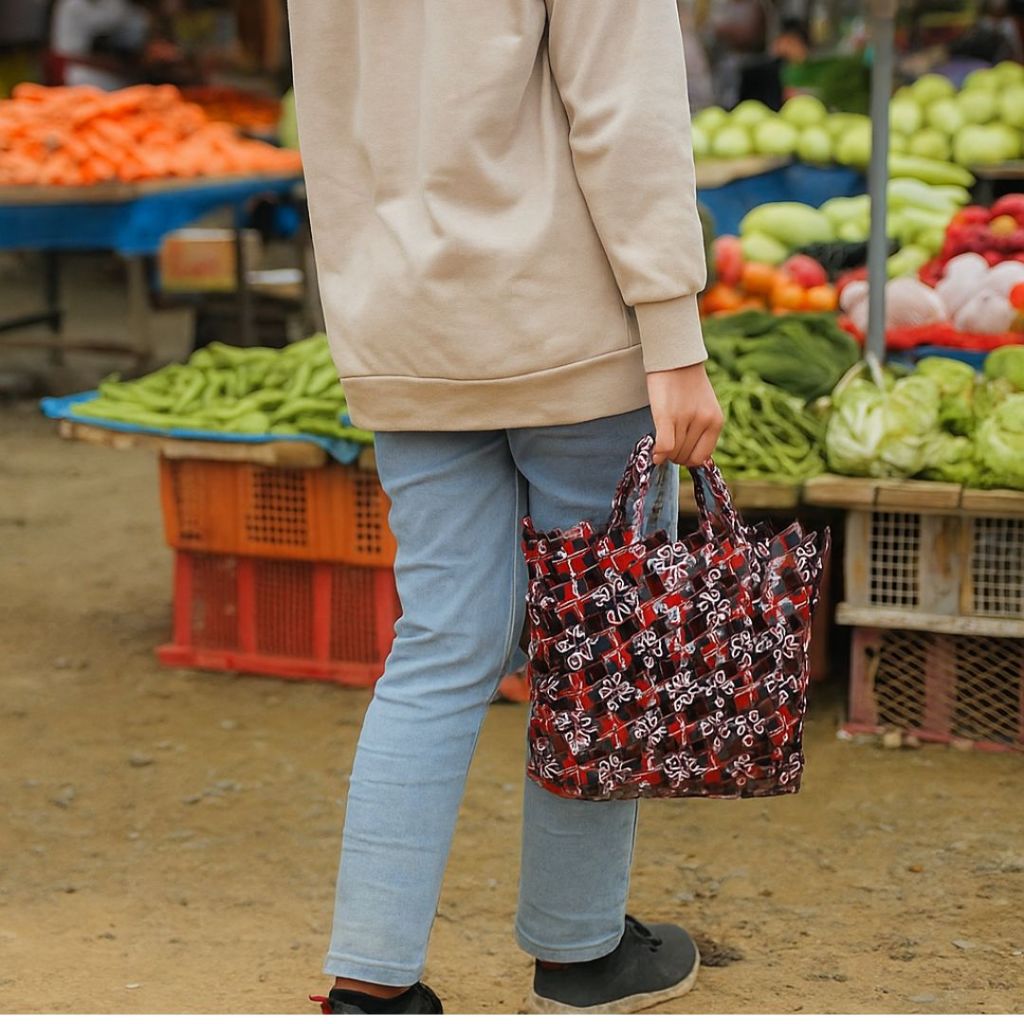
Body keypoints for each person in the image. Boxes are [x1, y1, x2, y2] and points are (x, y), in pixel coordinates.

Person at [288, 0, 723, 1014]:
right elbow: (628, 109)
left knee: (440, 643)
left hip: (400, 324)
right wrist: (673, 334)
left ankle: (368, 981)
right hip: (565, 325)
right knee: (595, 641)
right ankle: (580, 953)